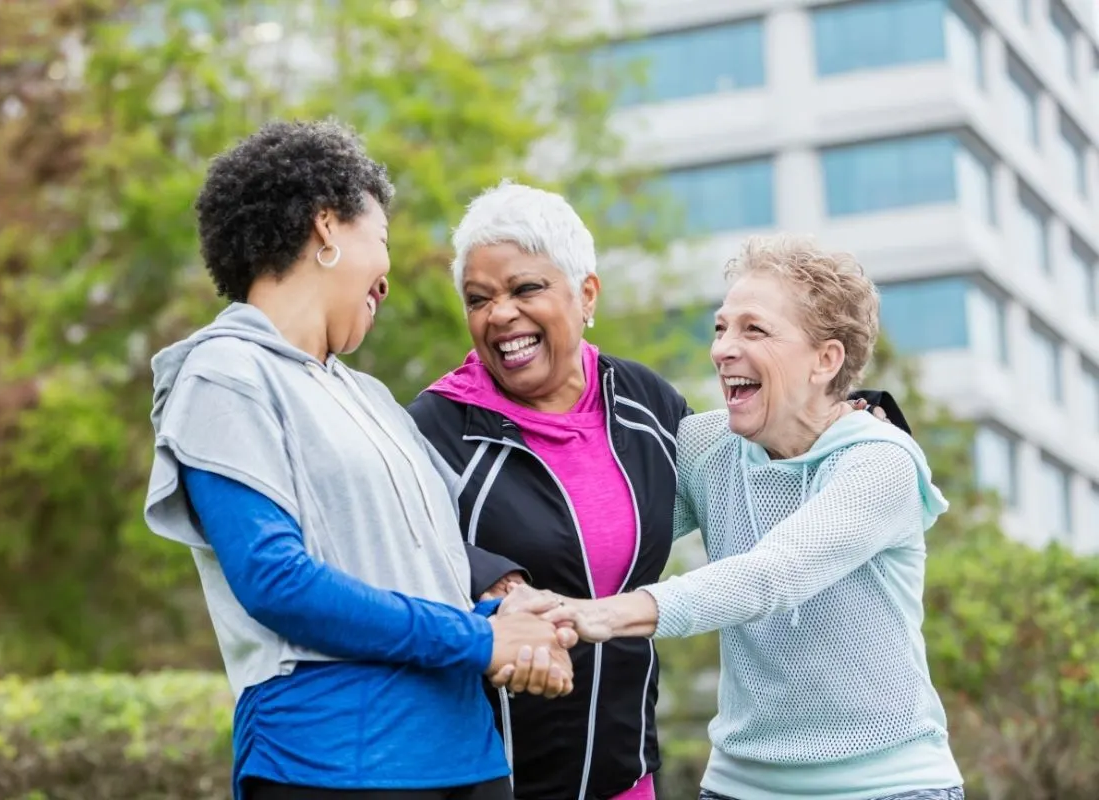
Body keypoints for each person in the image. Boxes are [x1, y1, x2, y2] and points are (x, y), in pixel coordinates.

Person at [407, 183, 899, 800]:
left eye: (526, 288)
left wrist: (854, 414)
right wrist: (496, 582)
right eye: (479, 299)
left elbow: (759, 481)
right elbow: (391, 549)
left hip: (624, 775)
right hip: (485, 778)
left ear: (586, 294)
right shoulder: (432, 426)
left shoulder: (646, 404)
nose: (500, 314)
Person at [142, 121, 574, 800]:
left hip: (468, 753)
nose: (389, 277)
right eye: (383, 241)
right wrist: (477, 640)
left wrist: (516, 623)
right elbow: (276, 582)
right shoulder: (223, 375)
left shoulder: (370, 398)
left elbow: (426, 575)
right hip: (334, 759)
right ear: (326, 230)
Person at [540, 235, 965, 800]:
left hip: (889, 787)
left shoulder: (879, 462)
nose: (722, 349)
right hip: (738, 786)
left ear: (826, 360)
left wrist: (607, 615)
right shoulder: (705, 447)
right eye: (721, 328)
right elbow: (613, 535)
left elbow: (772, 574)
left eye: (753, 329)